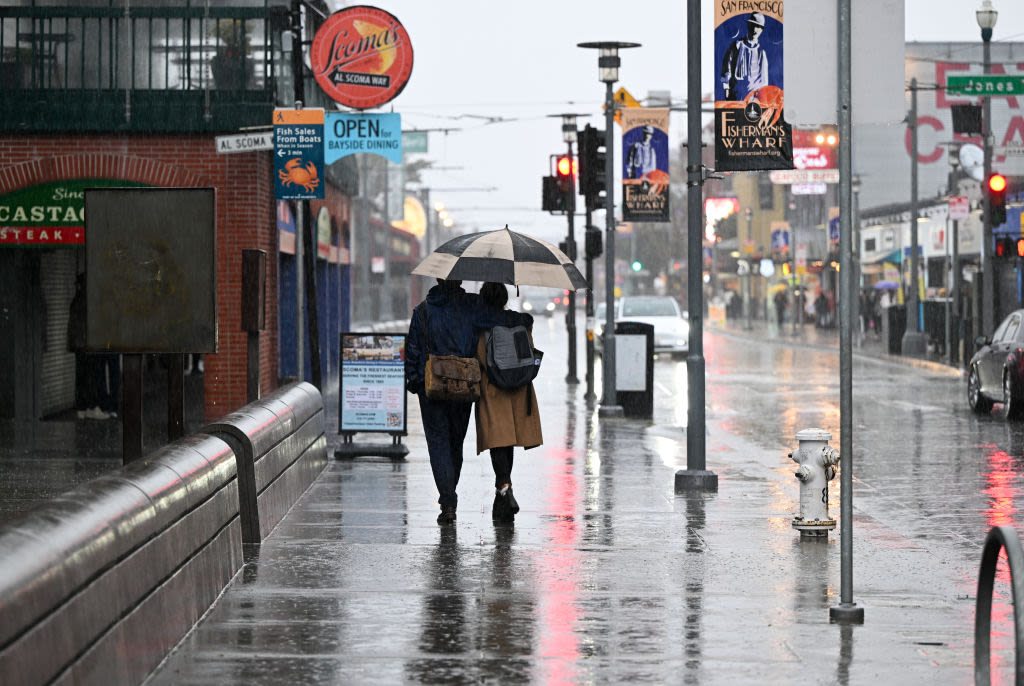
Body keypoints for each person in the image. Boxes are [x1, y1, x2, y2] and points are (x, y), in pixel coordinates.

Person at [405, 278, 491, 525]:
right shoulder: (472, 306)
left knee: (438, 444)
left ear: (437, 279)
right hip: (464, 386)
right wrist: (523, 320)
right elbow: (494, 323)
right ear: (460, 280)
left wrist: (416, 382)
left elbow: (412, 351)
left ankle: (448, 501)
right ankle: (449, 494)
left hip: (432, 388)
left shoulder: (423, 310)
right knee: (455, 443)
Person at [474, 282, 543, 524]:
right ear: (504, 298)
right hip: (517, 389)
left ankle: (505, 487)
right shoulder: (521, 322)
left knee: (497, 442)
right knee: (508, 442)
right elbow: (530, 353)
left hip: (493, 389)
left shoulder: (481, 325)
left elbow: (480, 358)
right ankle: (502, 496)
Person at [720, 12, 769, 101]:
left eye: (758, 27)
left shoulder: (761, 51)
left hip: (754, 97)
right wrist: (726, 88)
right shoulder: (737, 45)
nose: (755, 29)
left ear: (761, 29)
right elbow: (727, 67)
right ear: (748, 25)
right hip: (736, 94)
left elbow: (764, 78)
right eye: (753, 25)